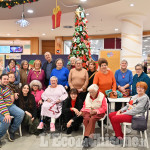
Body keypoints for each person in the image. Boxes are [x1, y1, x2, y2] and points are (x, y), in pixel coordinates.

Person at [0, 74, 24, 145]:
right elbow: (1, 103)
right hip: (1, 107)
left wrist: (14, 94)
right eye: (4, 79)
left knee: (21, 113)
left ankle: (12, 131)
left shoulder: (7, 86)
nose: (6, 80)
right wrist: (6, 114)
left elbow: (10, 92)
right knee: (6, 120)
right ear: (0, 80)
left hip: (10, 105)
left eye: (7, 79)